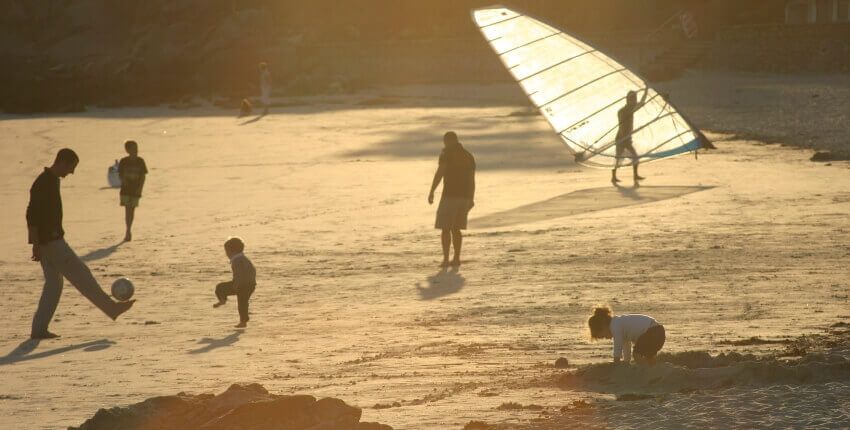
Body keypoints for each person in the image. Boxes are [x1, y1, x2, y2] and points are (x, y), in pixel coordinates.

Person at [27, 148, 135, 339]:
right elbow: (32, 215)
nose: (72, 172)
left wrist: (37, 243)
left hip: (47, 242)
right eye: (71, 167)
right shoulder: (44, 183)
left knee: (53, 285)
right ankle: (112, 308)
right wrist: (35, 243)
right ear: (62, 162)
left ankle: (38, 329)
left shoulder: (50, 180)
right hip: (51, 242)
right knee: (81, 275)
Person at [428, 131, 476, 268]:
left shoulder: (446, 154)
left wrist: (432, 191)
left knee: (445, 228)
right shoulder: (468, 156)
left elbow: (440, 173)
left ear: (448, 141)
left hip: (449, 196)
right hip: (464, 197)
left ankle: (445, 259)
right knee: (456, 229)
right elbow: (472, 180)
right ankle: (456, 259)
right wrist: (471, 198)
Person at [587, 306, 665, 365]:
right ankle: (653, 368)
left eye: (603, 336)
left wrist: (616, 361)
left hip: (652, 332)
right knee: (648, 356)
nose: (606, 338)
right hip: (659, 332)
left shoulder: (615, 325)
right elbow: (626, 345)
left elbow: (618, 345)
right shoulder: (620, 325)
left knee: (636, 355)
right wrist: (626, 362)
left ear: (604, 325)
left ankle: (646, 371)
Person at [213, 237, 257, 328]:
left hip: (242, 285)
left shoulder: (237, 260)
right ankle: (243, 321)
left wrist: (237, 284)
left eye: (227, 252)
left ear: (232, 251)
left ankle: (223, 300)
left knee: (220, 287)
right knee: (243, 302)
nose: (226, 254)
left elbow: (239, 273)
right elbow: (253, 270)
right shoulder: (244, 258)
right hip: (250, 285)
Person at [612, 90, 648, 184]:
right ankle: (613, 176)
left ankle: (635, 175)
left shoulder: (631, 109)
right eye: (633, 99)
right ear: (628, 100)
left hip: (627, 138)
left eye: (635, 99)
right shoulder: (622, 111)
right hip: (621, 139)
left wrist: (647, 90)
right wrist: (625, 138)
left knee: (635, 157)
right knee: (619, 159)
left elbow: (641, 103)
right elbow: (622, 126)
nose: (635, 101)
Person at [118, 140, 148, 242]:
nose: (136, 150)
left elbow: (143, 176)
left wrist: (140, 189)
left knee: (132, 210)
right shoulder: (123, 161)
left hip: (136, 190)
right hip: (125, 190)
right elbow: (120, 175)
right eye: (133, 148)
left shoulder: (140, 161)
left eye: (136, 147)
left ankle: (129, 229)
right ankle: (128, 230)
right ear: (128, 150)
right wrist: (124, 181)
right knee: (127, 210)